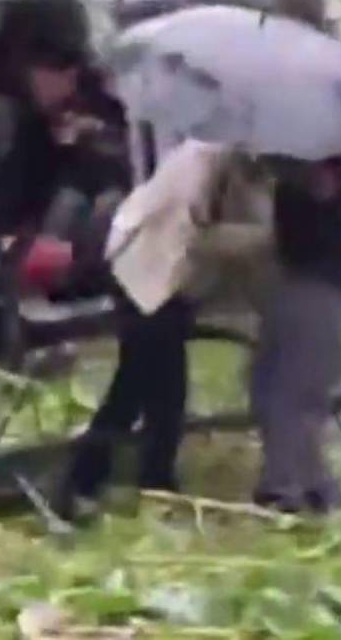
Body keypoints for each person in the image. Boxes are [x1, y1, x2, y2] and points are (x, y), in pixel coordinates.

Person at [58, 141, 276, 515]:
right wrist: (259, 241)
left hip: (175, 286)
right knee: (148, 389)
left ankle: (116, 479)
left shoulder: (241, 174)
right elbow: (196, 233)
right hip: (144, 272)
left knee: (149, 390)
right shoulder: (199, 163)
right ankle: (106, 482)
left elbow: (247, 238)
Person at [250, 155, 341, 514]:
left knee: (296, 391)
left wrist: (317, 179)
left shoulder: (323, 163)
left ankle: (292, 487)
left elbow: (326, 192)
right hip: (298, 278)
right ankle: (308, 482)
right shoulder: (287, 165)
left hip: (321, 282)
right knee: (266, 385)